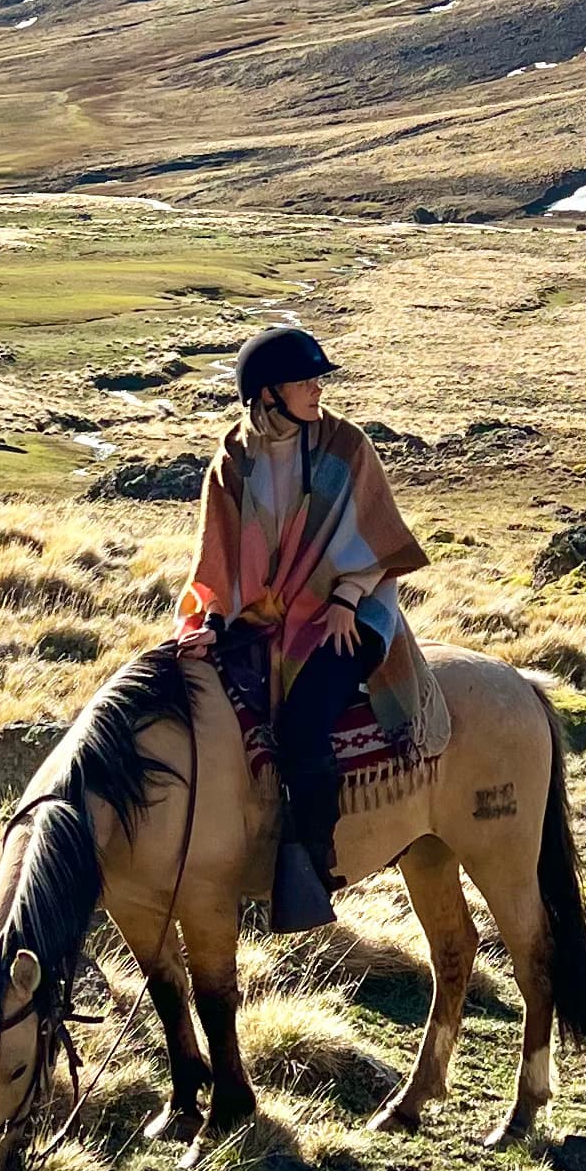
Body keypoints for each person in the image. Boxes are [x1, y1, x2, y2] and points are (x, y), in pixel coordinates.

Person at [179, 327, 437, 929]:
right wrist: (214, 620)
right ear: (268, 395)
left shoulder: (345, 446)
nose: (318, 388)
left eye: (316, 379)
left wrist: (346, 598)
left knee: (301, 721)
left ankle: (316, 861)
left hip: (353, 609)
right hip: (269, 616)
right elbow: (216, 557)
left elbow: (374, 537)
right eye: (305, 380)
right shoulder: (233, 462)